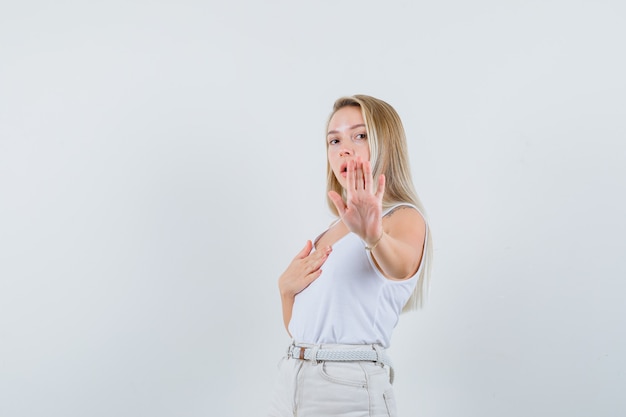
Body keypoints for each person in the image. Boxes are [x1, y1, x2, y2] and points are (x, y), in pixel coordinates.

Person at [267, 95, 433, 417]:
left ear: (386, 143)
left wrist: (374, 236)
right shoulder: (331, 230)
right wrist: (285, 291)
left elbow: (399, 266)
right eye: (334, 140)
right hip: (291, 380)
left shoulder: (401, 217)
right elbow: (304, 328)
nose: (343, 148)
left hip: (347, 389)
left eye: (360, 135)